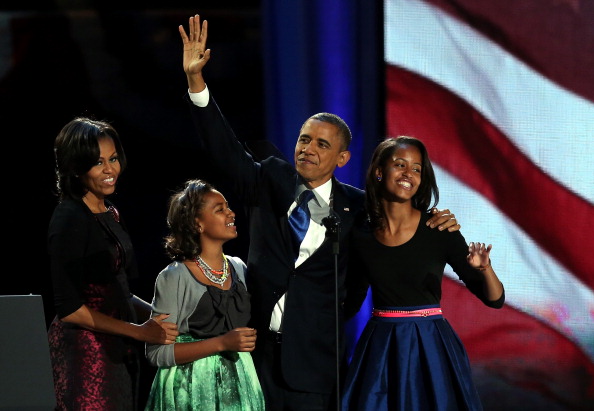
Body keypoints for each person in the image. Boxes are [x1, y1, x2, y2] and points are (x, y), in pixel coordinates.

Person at [178, 15, 460, 411]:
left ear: (342, 157)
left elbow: (395, 228)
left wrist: (435, 220)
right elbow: (224, 150)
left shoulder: (360, 207)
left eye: (321, 145)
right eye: (304, 139)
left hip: (316, 363)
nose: (308, 149)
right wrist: (196, 83)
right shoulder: (271, 180)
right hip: (252, 356)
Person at [341, 136, 505, 411]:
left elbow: (494, 299)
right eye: (400, 165)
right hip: (381, 348)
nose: (409, 174)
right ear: (380, 172)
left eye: (417, 169)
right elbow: (352, 299)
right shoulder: (361, 232)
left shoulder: (438, 228)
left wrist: (485, 269)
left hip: (430, 345)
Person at [47, 117, 180, 410]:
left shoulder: (110, 213)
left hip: (117, 349)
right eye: (98, 162)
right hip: (85, 354)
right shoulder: (68, 219)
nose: (110, 170)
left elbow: (120, 291)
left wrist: (167, 320)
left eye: (114, 158)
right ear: (76, 167)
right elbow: (69, 310)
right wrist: (140, 331)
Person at [144, 179, 265, 410]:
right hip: (191, 388)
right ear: (197, 224)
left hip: (240, 383)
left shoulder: (239, 268)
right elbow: (157, 353)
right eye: (220, 210)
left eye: (228, 207)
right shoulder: (174, 277)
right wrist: (222, 343)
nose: (231, 214)